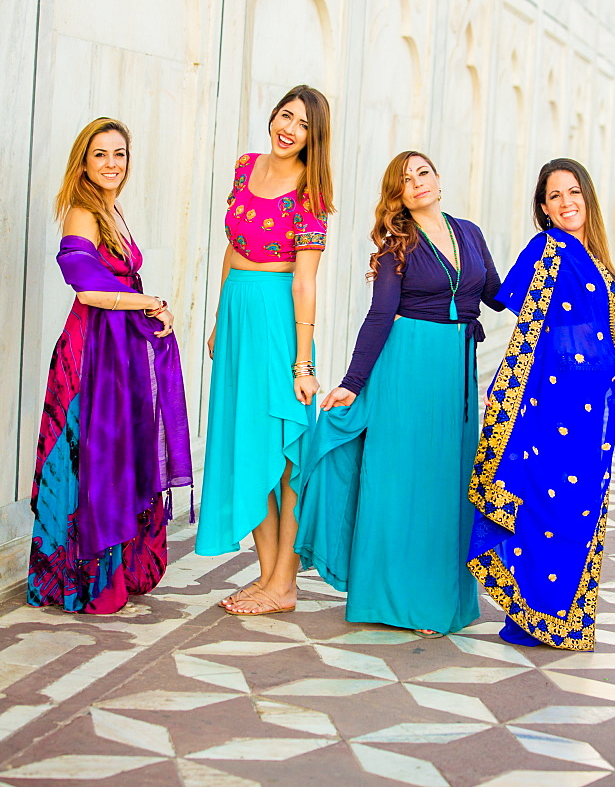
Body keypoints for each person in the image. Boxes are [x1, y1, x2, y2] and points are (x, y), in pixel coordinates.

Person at [295, 151, 504, 637]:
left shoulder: (469, 232)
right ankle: (398, 600)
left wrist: (553, 272)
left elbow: (498, 293)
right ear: (398, 195)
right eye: (406, 181)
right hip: (406, 365)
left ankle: (439, 600)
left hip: (455, 368)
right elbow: (379, 316)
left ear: (438, 178)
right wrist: (351, 383)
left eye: (423, 173)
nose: (418, 184)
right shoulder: (399, 245)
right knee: (406, 482)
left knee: (446, 483)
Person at [28, 118, 192, 614]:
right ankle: (76, 579)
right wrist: (148, 301)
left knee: (113, 455)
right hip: (89, 353)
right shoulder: (81, 213)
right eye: (100, 154)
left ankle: (113, 568)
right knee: (86, 458)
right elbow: (87, 289)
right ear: (84, 161)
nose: (111, 164)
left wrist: (149, 307)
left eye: (119, 154)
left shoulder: (111, 210)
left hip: (115, 350)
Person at [467, 158, 615, 650]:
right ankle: (535, 613)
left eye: (573, 192)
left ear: (587, 197)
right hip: (553, 403)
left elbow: (608, 339)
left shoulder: (598, 260)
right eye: (555, 196)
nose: (566, 203)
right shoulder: (550, 248)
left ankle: (558, 616)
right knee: (545, 502)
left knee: (579, 508)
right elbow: (517, 308)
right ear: (543, 208)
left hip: (594, 409)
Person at [196, 85, 334, 617]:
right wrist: (216, 320)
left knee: (285, 450)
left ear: (312, 137)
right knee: (244, 442)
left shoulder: (311, 192)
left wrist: (303, 363)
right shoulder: (244, 166)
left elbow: (306, 283)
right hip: (237, 315)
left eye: (302, 124)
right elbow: (232, 246)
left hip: (279, 318)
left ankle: (285, 581)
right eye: (285, 116)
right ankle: (267, 576)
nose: (289, 128)